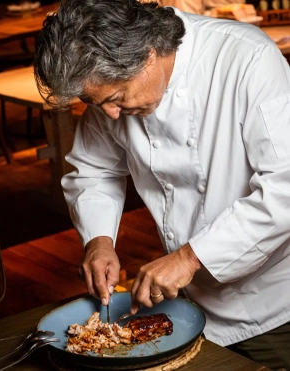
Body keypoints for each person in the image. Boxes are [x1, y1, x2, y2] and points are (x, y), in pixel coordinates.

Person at [33, 0, 290, 369]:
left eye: (116, 99)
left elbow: (284, 188)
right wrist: (99, 242)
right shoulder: (108, 76)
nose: (109, 114)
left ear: (149, 53)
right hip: (185, 303)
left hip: (271, 301)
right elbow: (94, 169)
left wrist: (189, 257)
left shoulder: (247, 59)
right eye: (94, 102)